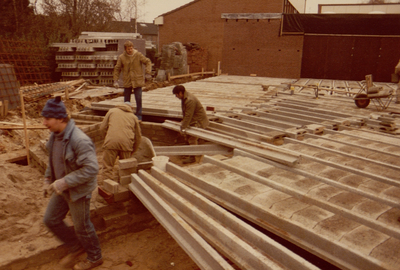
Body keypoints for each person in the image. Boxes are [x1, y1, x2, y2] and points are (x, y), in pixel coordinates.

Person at [41, 96, 103, 270]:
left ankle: (95, 257)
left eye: (47, 118)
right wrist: (48, 180)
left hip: (78, 191)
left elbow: (91, 169)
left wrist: (63, 183)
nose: (44, 122)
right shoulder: (55, 136)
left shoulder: (79, 140)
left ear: (60, 118)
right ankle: (76, 246)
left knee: (82, 226)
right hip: (62, 188)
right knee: (51, 219)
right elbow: (53, 162)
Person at [100, 101, 142, 182]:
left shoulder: (112, 111)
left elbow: (102, 128)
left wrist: (107, 139)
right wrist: (133, 150)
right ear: (131, 108)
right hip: (126, 144)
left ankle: (107, 186)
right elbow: (138, 137)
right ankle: (123, 186)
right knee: (125, 168)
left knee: (107, 167)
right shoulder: (133, 117)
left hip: (111, 142)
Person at [113, 40, 152, 121]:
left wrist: (148, 72)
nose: (130, 50)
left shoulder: (138, 55)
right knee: (126, 101)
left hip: (137, 81)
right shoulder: (122, 57)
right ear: (125, 49)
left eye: (131, 48)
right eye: (128, 49)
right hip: (127, 81)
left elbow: (147, 62)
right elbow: (117, 69)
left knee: (138, 99)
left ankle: (139, 115)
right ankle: (126, 116)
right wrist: (115, 80)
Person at [172, 85, 209, 164]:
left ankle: (193, 158)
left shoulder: (190, 100)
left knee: (192, 139)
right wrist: (183, 122)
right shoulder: (184, 98)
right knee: (189, 136)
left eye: (177, 94)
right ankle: (190, 152)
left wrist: (183, 127)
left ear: (181, 92)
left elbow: (189, 115)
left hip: (199, 121)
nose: (176, 96)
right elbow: (186, 114)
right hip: (194, 120)